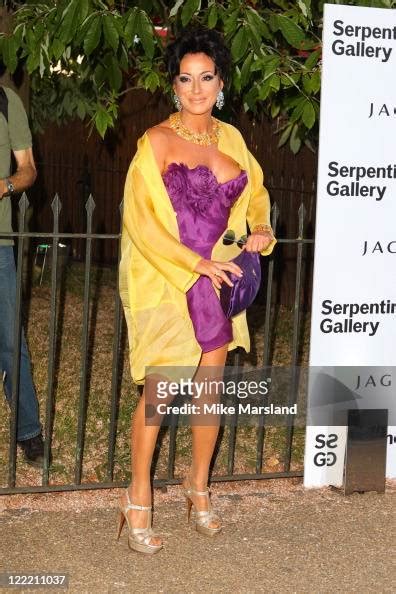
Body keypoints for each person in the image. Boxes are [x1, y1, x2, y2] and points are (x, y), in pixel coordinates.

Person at [118, 27, 276, 554]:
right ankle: (137, 494)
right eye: (186, 79)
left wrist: (261, 229)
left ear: (221, 82)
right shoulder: (155, 143)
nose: (196, 89)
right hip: (172, 281)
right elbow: (141, 222)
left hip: (220, 286)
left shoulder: (232, 140)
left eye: (206, 77)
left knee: (210, 395)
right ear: (173, 85)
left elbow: (256, 193)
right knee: (160, 395)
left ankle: (197, 486)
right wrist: (195, 264)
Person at [0, 85, 45, 467]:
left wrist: (6, 185)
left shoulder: (6, 101)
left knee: (12, 342)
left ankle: (28, 430)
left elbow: (28, 169)